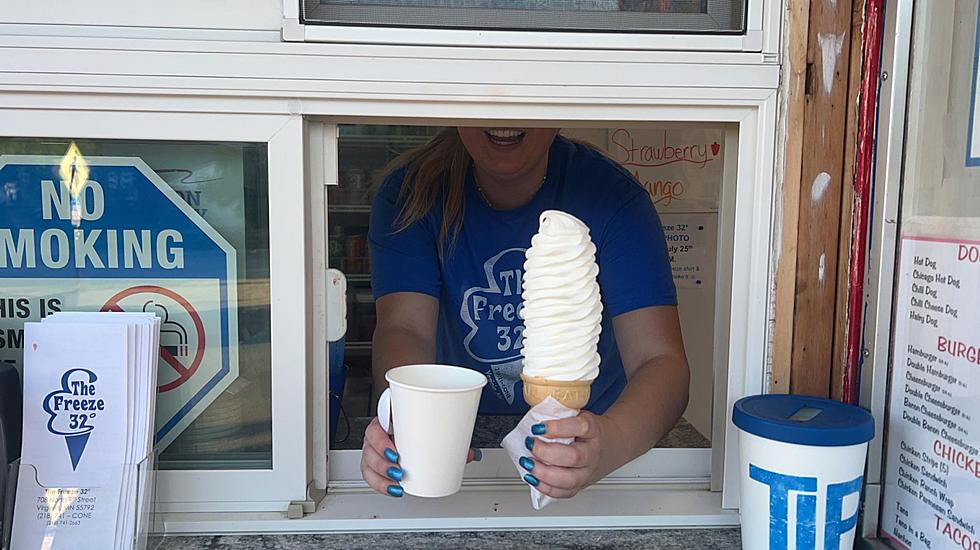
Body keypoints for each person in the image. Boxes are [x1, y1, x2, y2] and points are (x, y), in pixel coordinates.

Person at [360, 127, 690, 499]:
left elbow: (659, 359)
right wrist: (409, 418)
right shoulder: (413, 192)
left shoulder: (611, 195)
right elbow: (405, 328)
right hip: (461, 433)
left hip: (594, 432)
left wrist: (610, 442)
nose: (506, 115)